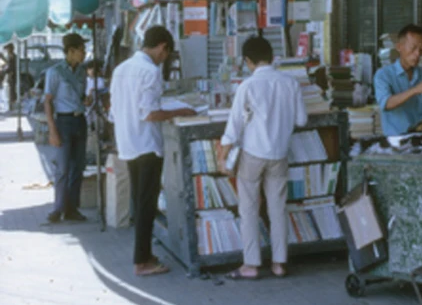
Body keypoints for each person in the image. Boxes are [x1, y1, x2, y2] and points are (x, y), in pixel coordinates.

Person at [218, 36, 307, 280]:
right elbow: (301, 120)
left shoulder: (247, 86)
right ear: (273, 57)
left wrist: (223, 156)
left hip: (252, 155)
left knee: (249, 209)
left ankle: (251, 264)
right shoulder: (290, 83)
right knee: (278, 208)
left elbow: (233, 126)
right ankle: (279, 263)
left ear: (247, 61)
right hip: (279, 154)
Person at [110, 26, 196, 276]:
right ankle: (142, 262)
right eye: (165, 53)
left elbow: (115, 111)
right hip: (146, 144)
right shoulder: (150, 71)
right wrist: (180, 111)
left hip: (128, 142)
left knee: (140, 201)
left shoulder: (121, 69)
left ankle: (144, 253)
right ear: (162, 47)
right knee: (147, 203)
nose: (164, 59)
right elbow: (149, 113)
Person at [44, 33, 89, 223]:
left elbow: (81, 96)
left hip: (80, 121)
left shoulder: (82, 72)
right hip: (63, 122)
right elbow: (47, 102)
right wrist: (52, 130)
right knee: (62, 168)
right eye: (81, 50)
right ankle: (58, 208)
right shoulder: (54, 72)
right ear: (70, 51)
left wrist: (86, 100)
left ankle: (72, 209)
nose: (84, 53)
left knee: (77, 168)